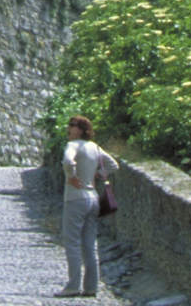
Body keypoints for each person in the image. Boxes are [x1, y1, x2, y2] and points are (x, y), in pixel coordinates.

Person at [58, 114, 117, 297]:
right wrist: (101, 173)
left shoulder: (73, 145)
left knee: (72, 242)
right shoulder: (95, 147)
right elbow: (113, 165)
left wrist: (72, 176)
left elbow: (68, 161)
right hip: (93, 198)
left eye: (72, 125)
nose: (68, 128)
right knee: (90, 244)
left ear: (81, 129)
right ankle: (91, 287)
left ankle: (73, 285)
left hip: (75, 198)